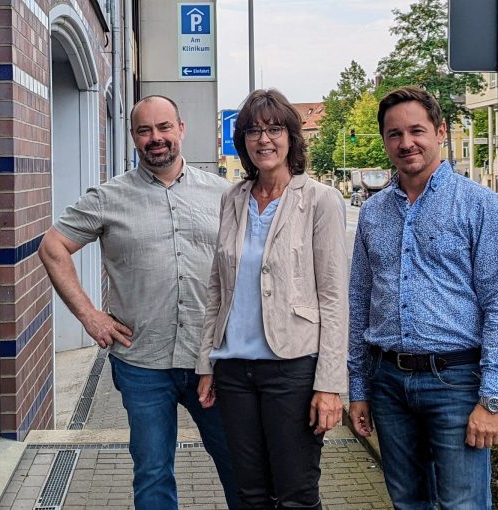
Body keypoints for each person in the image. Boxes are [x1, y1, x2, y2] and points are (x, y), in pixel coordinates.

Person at [38, 95, 238, 509]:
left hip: (211, 362)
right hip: (142, 363)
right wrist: (89, 316)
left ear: (181, 129)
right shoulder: (109, 197)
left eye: (164, 127)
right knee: (151, 473)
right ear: (133, 137)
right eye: (145, 130)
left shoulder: (224, 194)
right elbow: (53, 246)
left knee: (240, 465)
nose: (156, 138)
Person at [348, 86, 498, 509]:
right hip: (388, 383)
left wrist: (492, 399)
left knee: (462, 504)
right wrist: (359, 387)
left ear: (440, 131)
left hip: (457, 384)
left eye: (416, 130)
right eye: (394, 134)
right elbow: (359, 301)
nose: (406, 143)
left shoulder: (480, 205)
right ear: (385, 140)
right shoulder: (373, 213)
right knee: (407, 502)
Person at [196, 88, 349, 510]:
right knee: (249, 495)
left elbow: (335, 298)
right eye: (253, 131)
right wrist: (207, 362)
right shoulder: (233, 199)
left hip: (293, 370)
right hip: (235, 372)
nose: (264, 139)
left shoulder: (320, 200)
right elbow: (217, 288)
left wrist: (331, 385)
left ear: (291, 137)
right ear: (242, 141)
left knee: (297, 494)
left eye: (274, 128)